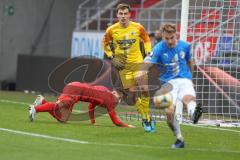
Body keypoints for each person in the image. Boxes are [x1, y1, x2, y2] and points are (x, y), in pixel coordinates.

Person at [143, 23, 202, 148]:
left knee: (188, 99)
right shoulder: (159, 48)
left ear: (176, 35)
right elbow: (148, 61)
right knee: (169, 113)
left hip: (184, 79)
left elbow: (189, 61)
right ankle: (179, 138)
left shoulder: (185, 46)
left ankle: (194, 113)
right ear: (163, 36)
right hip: (168, 83)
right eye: (166, 38)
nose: (170, 41)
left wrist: (190, 78)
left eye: (172, 37)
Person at [102, 3, 154, 132]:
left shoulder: (138, 27)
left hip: (138, 63)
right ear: (117, 15)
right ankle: (145, 117)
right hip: (123, 66)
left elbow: (146, 39)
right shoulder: (111, 30)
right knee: (131, 98)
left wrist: (148, 50)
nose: (123, 16)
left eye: (126, 13)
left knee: (145, 89)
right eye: (121, 14)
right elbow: (105, 43)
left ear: (130, 14)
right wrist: (111, 56)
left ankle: (146, 117)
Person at [28, 82, 135, 128]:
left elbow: (91, 106)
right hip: (76, 91)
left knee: (63, 118)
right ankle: (35, 109)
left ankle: (42, 102)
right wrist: (128, 126)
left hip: (75, 87)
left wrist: (93, 122)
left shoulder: (105, 90)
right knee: (58, 107)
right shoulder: (111, 101)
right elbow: (116, 122)